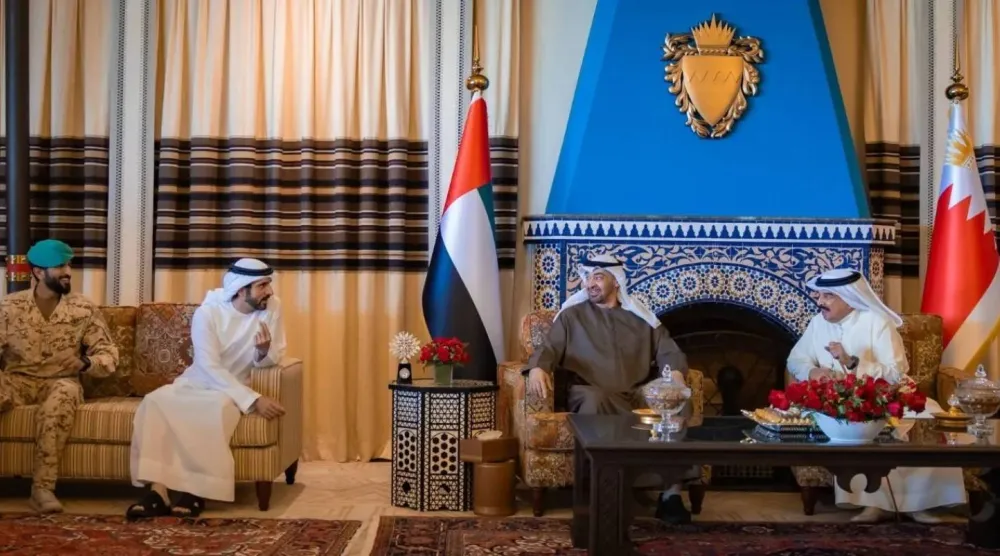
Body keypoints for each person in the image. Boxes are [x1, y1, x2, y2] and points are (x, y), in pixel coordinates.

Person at [524, 253, 696, 523]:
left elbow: (668, 350)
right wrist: (537, 367)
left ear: (617, 282)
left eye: (598, 277)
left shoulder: (640, 318)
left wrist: (674, 376)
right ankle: (602, 493)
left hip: (636, 392)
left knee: (678, 399)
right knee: (597, 399)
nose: (591, 283)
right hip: (591, 390)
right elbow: (549, 348)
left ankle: (670, 495)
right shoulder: (572, 316)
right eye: (588, 277)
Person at [787, 267, 966, 523]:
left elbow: (896, 373)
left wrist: (851, 362)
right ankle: (873, 504)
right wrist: (812, 370)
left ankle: (917, 504)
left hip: (889, 396)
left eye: (828, 296)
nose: (820, 302)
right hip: (842, 400)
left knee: (925, 418)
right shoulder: (818, 323)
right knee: (847, 420)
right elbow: (795, 359)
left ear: (848, 299)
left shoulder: (877, 322)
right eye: (819, 296)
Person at [126, 258, 287, 519]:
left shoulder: (272, 308)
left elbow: (274, 357)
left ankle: (194, 491)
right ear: (241, 289)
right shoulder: (208, 313)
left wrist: (262, 352)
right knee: (155, 401)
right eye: (262, 286)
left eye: (268, 284)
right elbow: (208, 365)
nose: (269, 291)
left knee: (212, 409)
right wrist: (256, 400)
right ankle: (158, 492)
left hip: (232, 389)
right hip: (199, 381)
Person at [0, 239, 119, 513]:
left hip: (60, 382)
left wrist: (84, 362)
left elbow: (109, 354)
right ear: (38, 273)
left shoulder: (83, 308)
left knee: (64, 394)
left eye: (68, 265)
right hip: (17, 379)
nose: (67, 272)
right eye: (60, 266)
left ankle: (42, 490)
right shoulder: (9, 307)